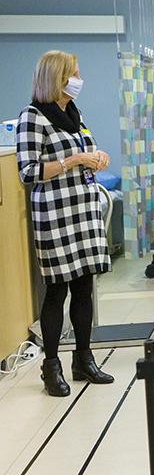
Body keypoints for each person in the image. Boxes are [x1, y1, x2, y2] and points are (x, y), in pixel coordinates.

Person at [16, 50, 114, 396]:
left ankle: (83, 359)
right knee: (57, 290)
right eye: (74, 73)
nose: (78, 79)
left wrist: (97, 156)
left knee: (84, 287)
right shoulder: (33, 117)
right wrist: (72, 160)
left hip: (83, 210)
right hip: (55, 215)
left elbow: (87, 147)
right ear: (56, 77)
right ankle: (51, 366)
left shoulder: (73, 112)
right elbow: (28, 172)